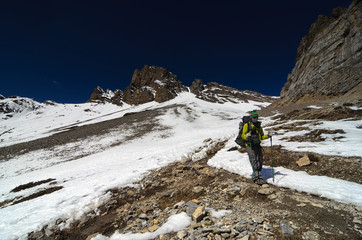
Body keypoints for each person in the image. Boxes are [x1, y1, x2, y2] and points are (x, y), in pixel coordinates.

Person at [241, 110, 272, 185]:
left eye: (256, 117)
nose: (255, 119)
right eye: (254, 117)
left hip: (257, 144)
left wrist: (268, 135)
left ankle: (258, 174)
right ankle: (256, 176)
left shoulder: (259, 126)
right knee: (254, 158)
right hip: (249, 144)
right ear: (251, 118)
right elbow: (243, 135)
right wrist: (246, 136)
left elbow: (261, 136)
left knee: (260, 158)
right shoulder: (246, 125)